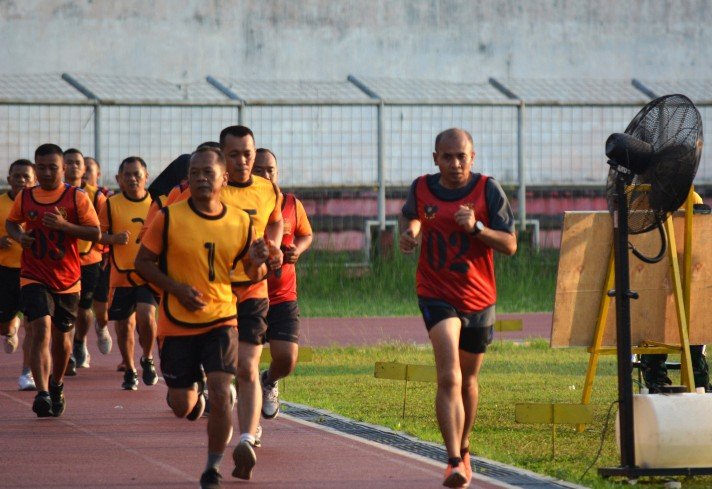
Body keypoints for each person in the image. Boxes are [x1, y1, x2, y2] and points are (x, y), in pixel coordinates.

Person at [135, 146, 274, 489]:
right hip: (177, 322)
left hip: (222, 319)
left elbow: (252, 274)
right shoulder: (168, 218)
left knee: (223, 392)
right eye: (194, 173)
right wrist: (176, 288)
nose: (200, 179)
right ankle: (194, 397)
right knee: (181, 405)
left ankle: (213, 467)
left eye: (207, 173)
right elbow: (142, 263)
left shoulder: (240, 222)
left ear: (224, 179)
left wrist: (259, 261)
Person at [399, 128, 517, 488]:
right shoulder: (422, 187)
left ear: (472, 157)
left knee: (468, 380)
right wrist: (410, 233)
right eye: (447, 157)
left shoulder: (488, 190)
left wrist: (477, 228)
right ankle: (452, 461)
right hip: (435, 293)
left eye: (461, 156)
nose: (454, 163)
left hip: (479, 298)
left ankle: (464, 447)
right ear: (435, 158)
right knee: (449, 375)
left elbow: (510, 244)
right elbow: (412, 216)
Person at [5, 143, 101, 417]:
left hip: (67, 279)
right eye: (42, 168)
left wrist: (64, 226)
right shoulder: (25, 197)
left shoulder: (76, 197)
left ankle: (56, 384)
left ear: (63, 168)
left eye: (52, 168)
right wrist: (19, 236)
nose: (47, 173)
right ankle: (42, 392)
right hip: (33, 274)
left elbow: (95, 233)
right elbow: (12, 222)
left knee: (62, 341)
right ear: (35, 169)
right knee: (40, 328)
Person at [251, 148, 313, 420]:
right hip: (248, 295)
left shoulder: (291, 203)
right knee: (244, 361)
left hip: (283, 296)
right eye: (259, 170)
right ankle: (246, 418)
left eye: (271, 170)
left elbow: (306, 234)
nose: (266, 175)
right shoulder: (241, 205)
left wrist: (297, 249)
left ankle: (269, 381)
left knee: (287, 358)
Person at [639, 191, 712, 393]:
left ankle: (656, 378)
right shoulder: (691, 197)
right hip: (678, 281)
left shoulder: (644, 199)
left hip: (660, 280)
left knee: (658, 316)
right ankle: (699, 381)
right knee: (692, 316)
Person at [98, 156, 158, 390]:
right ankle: (130, 369)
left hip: (148, 273)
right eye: (127, 175)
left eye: (137, 174)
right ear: (119, 178)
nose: (132, 179)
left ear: (146, 176)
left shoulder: (156, 204)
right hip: (121, 274)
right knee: (124, 326)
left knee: (147, 316)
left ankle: (148, 357)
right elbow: (97, 234)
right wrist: (113, 238)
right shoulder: (111, 204)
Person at [63, 148, 107, 374]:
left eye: (77, 163)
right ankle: (68, 352)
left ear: (84, 169)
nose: (73, 166)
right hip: (62, 260)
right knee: (65, 308)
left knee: (83, 309)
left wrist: (105, 252)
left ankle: (80, 340)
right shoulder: (53, 193)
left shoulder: (97, 196)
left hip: (90, 260)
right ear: (63, 166)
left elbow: (105, 228)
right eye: (69, 162)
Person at [0, 159, 37, 390]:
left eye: (26, 177)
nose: (22, 180)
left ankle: (27, 374)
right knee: (4, 326)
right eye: (17, 176)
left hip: (34, 272)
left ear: (34, 180)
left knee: (34, 325)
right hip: (5, 271)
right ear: (9, 179)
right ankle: (11, 328)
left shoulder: (41, 204)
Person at [82, 156, 114, 356]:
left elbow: (112, 227)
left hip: (101, 259)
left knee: (102, 311)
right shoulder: (67, 194)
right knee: (78, 307)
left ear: (98, 173)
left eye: (89, 169)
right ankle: (79, 344)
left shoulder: (104, 196)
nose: (84, 172)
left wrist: (108, 252)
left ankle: (101, 327)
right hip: (75, 259)